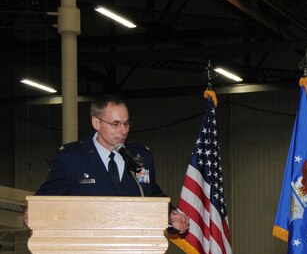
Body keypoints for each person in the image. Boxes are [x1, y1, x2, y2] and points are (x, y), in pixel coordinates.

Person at [29, 94, 189, 233]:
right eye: (116, 124)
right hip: (86, 252)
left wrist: (170, 215)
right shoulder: (71, 158)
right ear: (96, 123)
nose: (124, 130)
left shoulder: (141, 156)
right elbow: (46, 199)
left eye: (126, 124)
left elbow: (150, 194)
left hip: (135, 248)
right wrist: (32, 212)